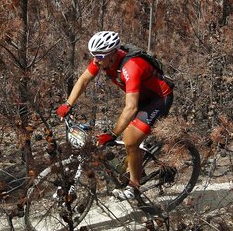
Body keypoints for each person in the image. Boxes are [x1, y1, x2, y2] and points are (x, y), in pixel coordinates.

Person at [56, 31, 174, 200]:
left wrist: (112, 134)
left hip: (159, 99)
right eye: (93, 55)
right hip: (142, 97)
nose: (95, 60)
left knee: (130, 140)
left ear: (112, 54)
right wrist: (68, 104)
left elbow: (131, 108)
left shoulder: (131, 67)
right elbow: (84, 80)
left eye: (99, 56)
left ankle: (133, 186)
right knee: (127, 135)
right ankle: (135, 165)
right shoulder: (103, 59)